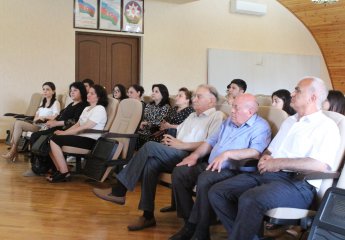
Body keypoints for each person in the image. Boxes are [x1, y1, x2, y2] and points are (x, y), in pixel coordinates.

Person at [208, 77, 341, 240]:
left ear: (313, 97)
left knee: (251, 199)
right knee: (218, 192)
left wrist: (277, 163)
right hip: (269, 175)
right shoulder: (290, 121)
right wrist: (265, 158)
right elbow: (270, 151)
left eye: (297, 90)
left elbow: (320, 165)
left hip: (298, 184)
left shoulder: (326, 126)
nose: (292, 93)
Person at [93, 84, 224, 232]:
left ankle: (119, 190)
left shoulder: (217, 116)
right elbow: (178, 131)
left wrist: (181, 145)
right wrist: (169, 139)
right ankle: (147, 215)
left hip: (193, 156)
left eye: (198, 96)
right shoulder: (193, 115)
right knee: (151, 163)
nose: (194, 99)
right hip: (176, 151)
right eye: (194, 96)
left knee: (149, 146)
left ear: (211, 101)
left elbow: (210, 144)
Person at [169, 94, 271, 240]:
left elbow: (256, 152)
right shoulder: (229, 121)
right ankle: (189, 222)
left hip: (234, 170)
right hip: (212, 165)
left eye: (236, 107)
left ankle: (199, 231)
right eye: (232, 106)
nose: (232, 111)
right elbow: (210, 141)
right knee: (180, 171)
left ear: (250, 111)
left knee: (205, 178)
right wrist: (195, 156)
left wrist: (227, 154)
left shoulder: (260, 126)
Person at [24, 82, 88, 176]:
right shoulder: (71, 104)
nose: (72, 92)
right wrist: (51, 122)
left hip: (66, 130)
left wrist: (56, 123)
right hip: (57, 127)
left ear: (82, 92)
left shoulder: (82, 105)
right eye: (71, 90)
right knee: (35, 136)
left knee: (39, 137)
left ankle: (43, 166)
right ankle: (39, 166)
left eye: (75, 90)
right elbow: (60, 116)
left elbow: (75, 121)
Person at [47, 84, 108, 183]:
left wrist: (65, 134)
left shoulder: (100, 109)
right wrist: (64, 132)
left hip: (90, 141)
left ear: (99, 97)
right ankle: (60, 170)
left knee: (54, 139)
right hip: (81, 137)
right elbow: (77, 125)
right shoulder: (86, 109)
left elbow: (85, 126)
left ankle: (64, 173)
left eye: (92, 93)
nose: (88, 95)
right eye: (89, 93)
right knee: (50, 139)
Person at [1, 82, 60, 161]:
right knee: (14, 123)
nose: (45, 91)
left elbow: (56, 116)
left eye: (47, 89)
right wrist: (37, 119)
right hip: (36, 124)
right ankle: (14, 150)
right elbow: (36, 116)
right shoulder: (43, 102)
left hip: (44, 127)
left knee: (18, 123)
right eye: (43, 89)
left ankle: (13, 151)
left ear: (53, 91)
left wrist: (44, 117)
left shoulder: (56, 103)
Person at [136, 84, 171, 149]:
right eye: (153, 91)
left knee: (135, 138)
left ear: (163, 94)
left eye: (156, 91)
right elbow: (144, 118)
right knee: (131, 135)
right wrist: (141, 124)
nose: (153, 93)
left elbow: (160, 122)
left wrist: (146, 123)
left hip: (154, 133)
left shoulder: (166, 107)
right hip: (143, 130)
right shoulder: (149, 105)